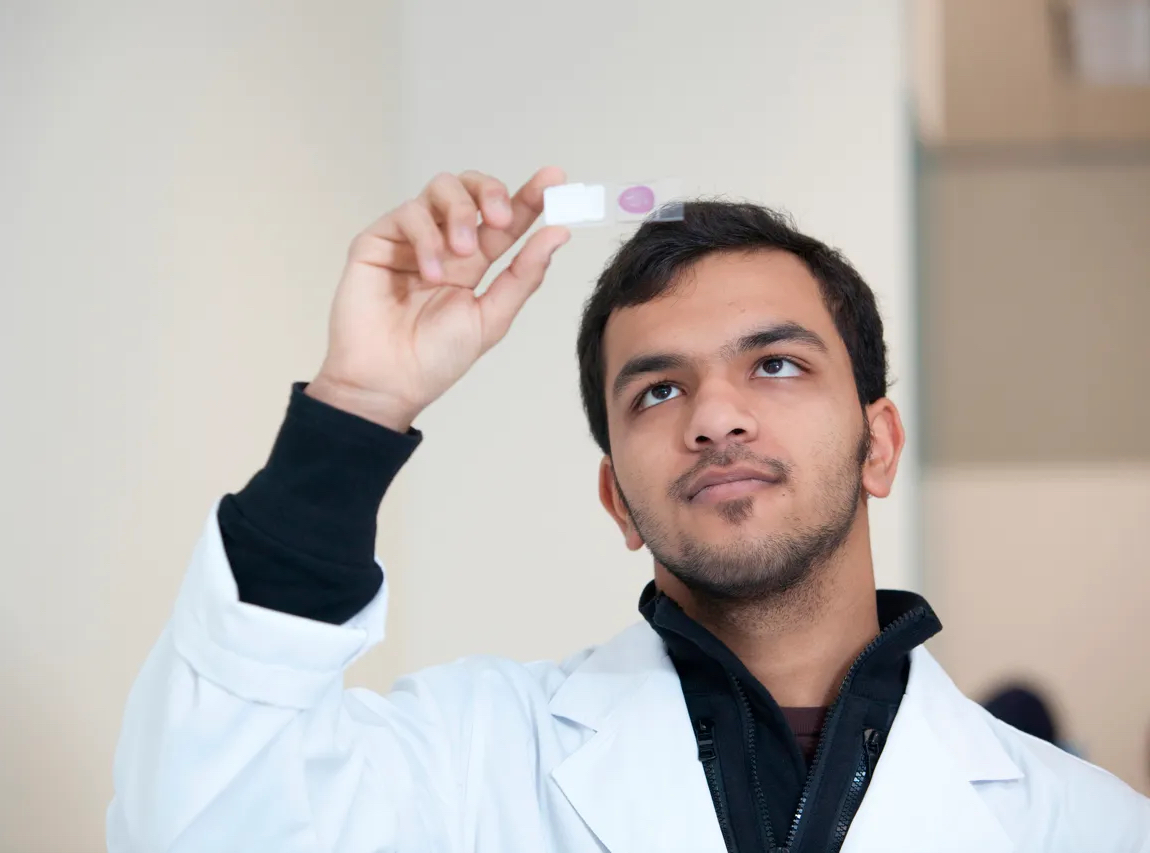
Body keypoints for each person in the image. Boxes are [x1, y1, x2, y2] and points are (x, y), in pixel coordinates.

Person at [108, 168, 1150, 852]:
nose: (714, 417)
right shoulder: (474, 761)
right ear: (616, 496)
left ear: (876, 444)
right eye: (656, 390)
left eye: (775, 365)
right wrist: (358, 407)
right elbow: (197, 822)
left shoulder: (1083, 826)